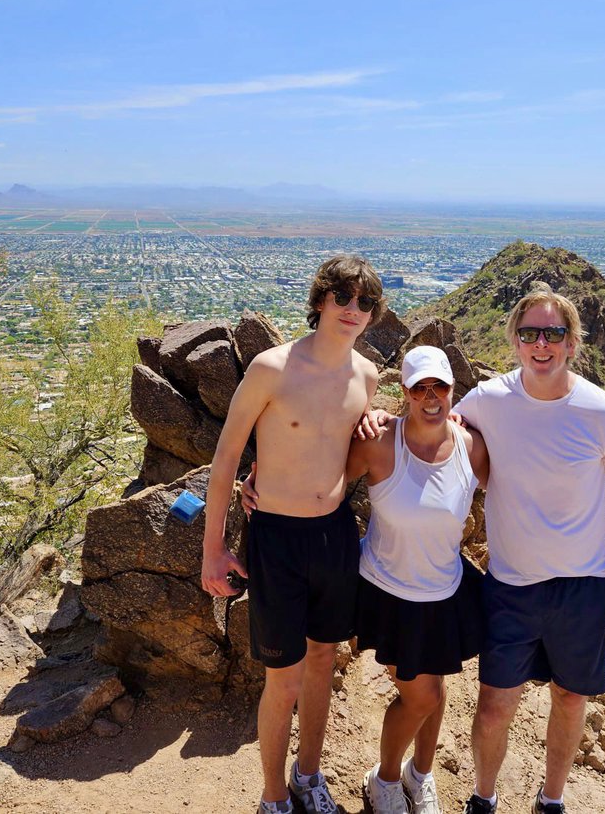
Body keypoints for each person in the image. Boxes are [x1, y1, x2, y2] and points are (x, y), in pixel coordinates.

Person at [451, 284, 605, 814]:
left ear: (571, 343)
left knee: (569, 697)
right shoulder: (488, 401)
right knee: (495, 706)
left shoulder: (604, 413)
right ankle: (484, 798)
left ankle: (551, 799)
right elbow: (434, 432)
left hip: (583, 587)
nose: (541, 344)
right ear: (515, 341)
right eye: (530, 333)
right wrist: (374, 423)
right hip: (511, 585)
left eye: (553, 333)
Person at [201, 254, 384, 814]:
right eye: (344, 298)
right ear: (322, 300)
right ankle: (274, 796)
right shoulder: (272, 368)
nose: (353, 310)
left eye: (366, 303)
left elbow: (344, 454)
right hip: (276, 538)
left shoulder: (368, 377)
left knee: (324, 659)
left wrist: (380, 427)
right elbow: (227, 455)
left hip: (334, 535)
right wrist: (214, 548)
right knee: (282, 677)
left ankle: (309, 776)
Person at [349, 345, 490, 814]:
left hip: (445, 590)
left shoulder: (472, 447)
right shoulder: (379, 442)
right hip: (389, 591)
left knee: (436, 687)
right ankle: (385, 779)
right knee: (421, 695)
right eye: (420, 387)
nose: (431, 396)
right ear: (406, 393)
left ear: (454, 390)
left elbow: (517, 493)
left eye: (440, 387)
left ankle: (420, 773)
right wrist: (260, 484)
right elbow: (325, 485)